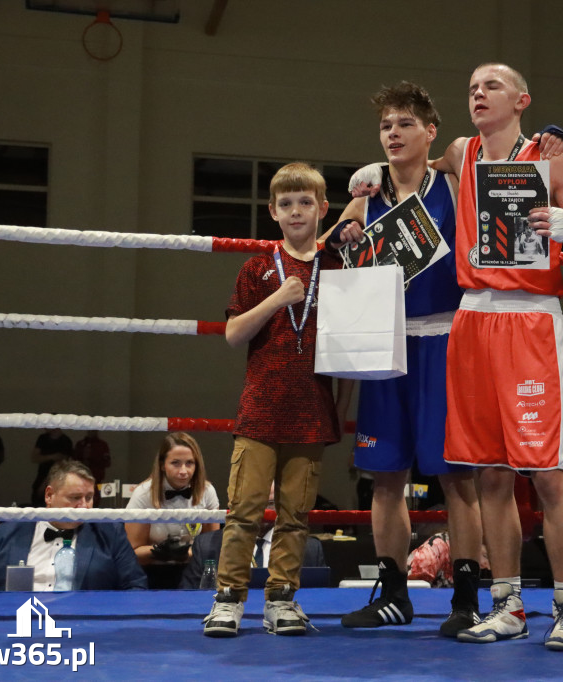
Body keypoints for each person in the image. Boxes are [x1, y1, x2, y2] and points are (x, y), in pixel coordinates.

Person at [428, 63, 563, 650]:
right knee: (489, 473)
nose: (477, 93)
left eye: (491, 86)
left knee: (548, 473)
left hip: (530, 319)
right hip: (473, 316)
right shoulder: (459, 150)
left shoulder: (552, 157)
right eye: (471, 86)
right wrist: (370, 181)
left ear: (521, 99)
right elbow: (413, 170)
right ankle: (507, 607)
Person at [325, 82, 484, 637]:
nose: (393, 134)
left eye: (405, 125)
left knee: (457, 479)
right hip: (385, 344)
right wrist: (345, 235)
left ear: (429, 131)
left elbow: (476, 157)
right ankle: (395, 594)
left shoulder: (456, 181)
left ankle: (465, 598)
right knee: (385, 475)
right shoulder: (367, 195)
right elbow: (333, 249)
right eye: (386, 126)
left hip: (445, 340)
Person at [201, 162, 352, 638]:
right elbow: (232, 334)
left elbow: (350, 343)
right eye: (286, 203)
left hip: (311, 411)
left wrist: (340, 411)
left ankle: (282, 599)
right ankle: (228, 600)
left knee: (295, 515)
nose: (296, 211)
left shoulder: (336, 268)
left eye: (306, 202)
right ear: (272, 211)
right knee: (243, 509)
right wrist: (277, 299)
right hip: (260, 411)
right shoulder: (258, 267)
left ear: (323, 209)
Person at [0, 459, 147, 591]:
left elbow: (136, 586)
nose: (84, 506)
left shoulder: (110, 535)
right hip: (13, 629)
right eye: (75, 497)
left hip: (86, 631)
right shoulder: (1, 535)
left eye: (89, 498)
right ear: (49, 495)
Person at [180, 483, 326, 589]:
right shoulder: (206, 546)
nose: (261, 511)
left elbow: (322, 600)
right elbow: (188, 596)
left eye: (269, 504)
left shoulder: (309, 548)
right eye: (254, 504)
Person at [124, 432, 220, 565]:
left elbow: (212, 548)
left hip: (194, 570)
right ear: (162, 465)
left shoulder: (207, 491)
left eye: (189, 463)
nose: (183, 471)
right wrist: (160, 551)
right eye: (175, 463)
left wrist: (186, 553)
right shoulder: (144, 494)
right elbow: (131, 553)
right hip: (153, 571)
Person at [29, 426, 73, 506]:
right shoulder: (43, 438)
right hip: (41, 476)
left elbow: (61, 465)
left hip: (56, 479)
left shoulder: (65, 441)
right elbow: (34, 458)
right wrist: (52, 456)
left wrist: (46, 482)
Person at [73, 430, 111, 502]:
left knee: (96, 500)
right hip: (81, 478)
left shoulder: (102, 445)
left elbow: (107, 463)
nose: (92, 431)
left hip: (97, 479)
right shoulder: (80, 444)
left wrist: (93, 458)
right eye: (90, 429)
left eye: (94, 429)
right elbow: (74, 462)